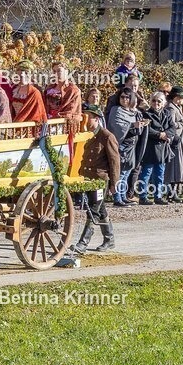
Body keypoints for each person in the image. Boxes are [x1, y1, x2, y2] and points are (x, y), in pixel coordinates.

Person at [68, 105, 120, 255]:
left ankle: (83, 244)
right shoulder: (86, 134)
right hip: (88, 179)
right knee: (100, 209)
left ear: (96, 118)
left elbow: (115, 162)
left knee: (93, 211)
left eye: (87, 116)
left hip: (100, 180)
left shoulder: (106, 136)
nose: (84, 119)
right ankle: (109, 239)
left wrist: (114, 183)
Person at [106, 89, 145, 207]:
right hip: (121, 144)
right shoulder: (116, 110)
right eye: (122, 97)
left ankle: (123, 196)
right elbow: (116, 127)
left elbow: (136, 129)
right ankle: (117, 198)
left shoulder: (133, 112)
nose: (124, 99)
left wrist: (140, 125)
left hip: (131, 145)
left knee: (128, 171)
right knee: (120, 171)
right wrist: (132, 125)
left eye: (127, 97)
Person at [137, 92, 175, 205]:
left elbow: (172, 127)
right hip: (150, 147)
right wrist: (160, 135)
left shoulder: (167, 113)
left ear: (164, 103)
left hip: (162, 148)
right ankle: (142, 196)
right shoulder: (146, 114)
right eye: (154, 100)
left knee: (160, 173)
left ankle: (158, 196)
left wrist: (166, 134)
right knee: (146, 173)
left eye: (159, 101)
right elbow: (146, 129)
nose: (156, 103)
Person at [164, 86, 183, 202]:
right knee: (174, 166)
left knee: (178, 166)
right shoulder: (171, 108)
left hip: (179, 140)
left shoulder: (176, 107)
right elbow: (172, 124)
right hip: (175, 141)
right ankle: (171, 193)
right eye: (182, 97)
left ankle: (174, 193)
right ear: (176, 97)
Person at [44, 60, 83, 132]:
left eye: (59, 71)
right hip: (46, 121)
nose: (56, 74)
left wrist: (55, 117)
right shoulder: (49, 88)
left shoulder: (73, 90)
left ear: (66, 72)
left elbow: (71, 111)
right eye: (54, 71)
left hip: (62, 123)